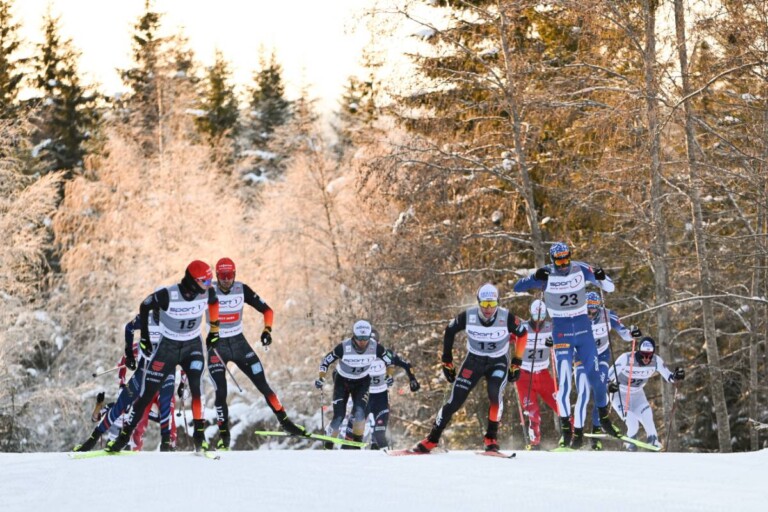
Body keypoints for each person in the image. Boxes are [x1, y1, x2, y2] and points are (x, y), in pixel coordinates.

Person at [513, 242, 621, 448]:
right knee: (564, 382)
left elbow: (610, 287)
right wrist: (535, 277)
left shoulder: (580, 268)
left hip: (583, 329)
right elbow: (517, 287)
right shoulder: (547, 273)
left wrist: (601, 276)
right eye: (559, 260)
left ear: (570, 256)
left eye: (566, 259)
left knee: (596, 377)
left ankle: (605, 421)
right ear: (553, 260)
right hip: (561, 331)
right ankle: (566, 432)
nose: (563, 264)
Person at [104, 260, 220, 453]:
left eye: (210, 281)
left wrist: (214, 330)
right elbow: (145, 306)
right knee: (146, 393)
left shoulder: (208, 292)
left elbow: (214, 302)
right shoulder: (169, 295)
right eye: (205, 281)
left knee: (196, 389)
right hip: (169, 347)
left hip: (192, 347)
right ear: (192, 280)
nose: (209, 285)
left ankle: (200, 438)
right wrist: (146, 340)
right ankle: (123, 437)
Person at [414, 283, 527, 453]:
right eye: (484, 304)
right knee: (455, 400)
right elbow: (449, 331)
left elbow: (523, 334)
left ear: (498, 302)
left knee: (494, 395)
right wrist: (447, 361)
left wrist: (517, 362)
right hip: (474, 361)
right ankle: (432, 439)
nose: (488, 309)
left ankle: (491, 439)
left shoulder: (506, 317)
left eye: (493, 304)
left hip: (498, 361)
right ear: (478, 302)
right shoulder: (469, 316)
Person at [208, 257, 306, 449]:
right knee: (221, 393)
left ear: (235, 275)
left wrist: (267, 330)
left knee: (263, 385)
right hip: (217, 347)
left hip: (239, 343)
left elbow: (268, 310)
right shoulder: (207, 291)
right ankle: (224, 436)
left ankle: (286, 423)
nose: (227, 280)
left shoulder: (241, 289)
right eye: (223, 276)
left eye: (230, 276)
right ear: (217, 276)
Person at [72, 312, 177, 452]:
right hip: (143, 373)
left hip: (165, 373)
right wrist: (128, 358)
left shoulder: (175, 320)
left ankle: (168, 445)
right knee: (120, 405)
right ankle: (91, 443)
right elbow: (129, 328)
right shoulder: (146, 319)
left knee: (166, 409)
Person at [572, 291, 641, 450]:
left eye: (594, 309)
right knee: (583, 394)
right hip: (582, 358)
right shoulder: (577, 317)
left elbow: (624, 332)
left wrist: (632, 333)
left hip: (601, 357)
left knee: (601, 390)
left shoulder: (608, 315)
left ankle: (596, 431)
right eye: (588, 308)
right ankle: (577, 434)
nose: (590, 313)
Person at [315, 320, 394, 449]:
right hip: (343, 382)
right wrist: (321, 378)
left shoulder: (376, 347)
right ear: (354, 336)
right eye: (359, 338)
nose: (362, 342)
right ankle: (328, 445)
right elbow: (325, 362)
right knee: (339, 417)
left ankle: (357, 443)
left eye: (365, 338)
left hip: (362, 383)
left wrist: (389, 376)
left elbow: (389, 362)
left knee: (359, 414)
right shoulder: (343, 347)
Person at [344, 329, 421, 449]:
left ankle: (382, 458)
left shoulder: (386, 354)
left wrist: (413, 379)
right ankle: (345, 456)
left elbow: (406, 364)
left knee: (379, 434)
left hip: (381, 400)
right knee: (352, 433)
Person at [608, 336, 684, 450]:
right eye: (643, 354)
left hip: (638, 395)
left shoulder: (656, 361)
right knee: (633, 424)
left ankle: (653, 441)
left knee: (648, 415)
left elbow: (669, 377)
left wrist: (677, 376)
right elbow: (607, 377)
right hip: (620, 395)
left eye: (649, 355)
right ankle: (629, 444)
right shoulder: (626, 358)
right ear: (639, 351)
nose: (646, 358)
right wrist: (609, 386)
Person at [516, 299, 557, 450]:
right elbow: (507, 337)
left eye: (542, 316)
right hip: (524, 376)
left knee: (560, 403)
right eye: (536, 316)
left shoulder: (550, 327)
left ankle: (572, 435)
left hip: (543, 374)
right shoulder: (523, 328)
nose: (539, 320)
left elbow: (563, 336)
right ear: (530, 314)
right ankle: (534, 444)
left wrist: (555, 341)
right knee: (533, 413)